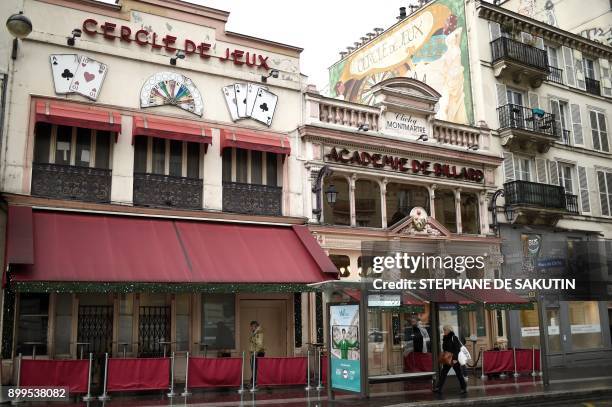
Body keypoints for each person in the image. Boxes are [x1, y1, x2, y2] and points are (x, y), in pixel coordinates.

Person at [433, 325, 467, 395]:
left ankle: (463, 388)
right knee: (443, 373)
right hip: (447, 358)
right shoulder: (445, 338)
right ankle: (438, 388)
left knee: (459, 374)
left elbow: (457, 349)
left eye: (445, 330)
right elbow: (445, 348)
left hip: (454, 358)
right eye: (443, 330)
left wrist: (455, 359)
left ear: (449, 330)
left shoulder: (454, 338)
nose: (444, 331)